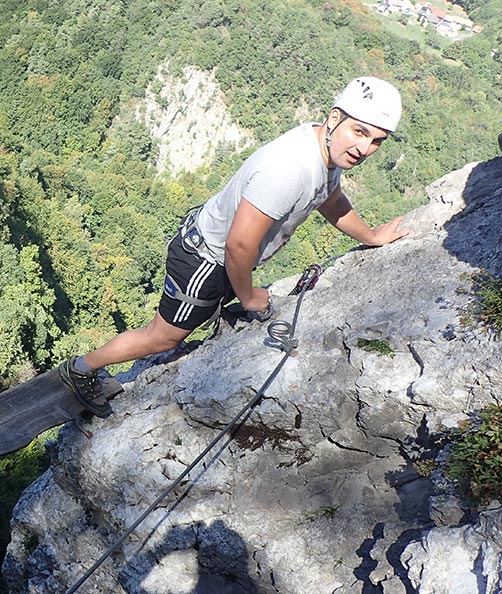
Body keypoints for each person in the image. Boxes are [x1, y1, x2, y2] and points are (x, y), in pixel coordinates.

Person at [60, 76, 410, 418]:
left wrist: (371, 236)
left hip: (217, 258)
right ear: (335, 119)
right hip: (203, 261)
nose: (364, 149)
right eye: (360, 132)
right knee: (163, 338)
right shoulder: (289, 170)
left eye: (376, 140)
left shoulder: (324, 151)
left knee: (177, 331)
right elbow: (238, 245)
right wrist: (249, 298)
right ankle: (81, 369)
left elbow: (330, 200)